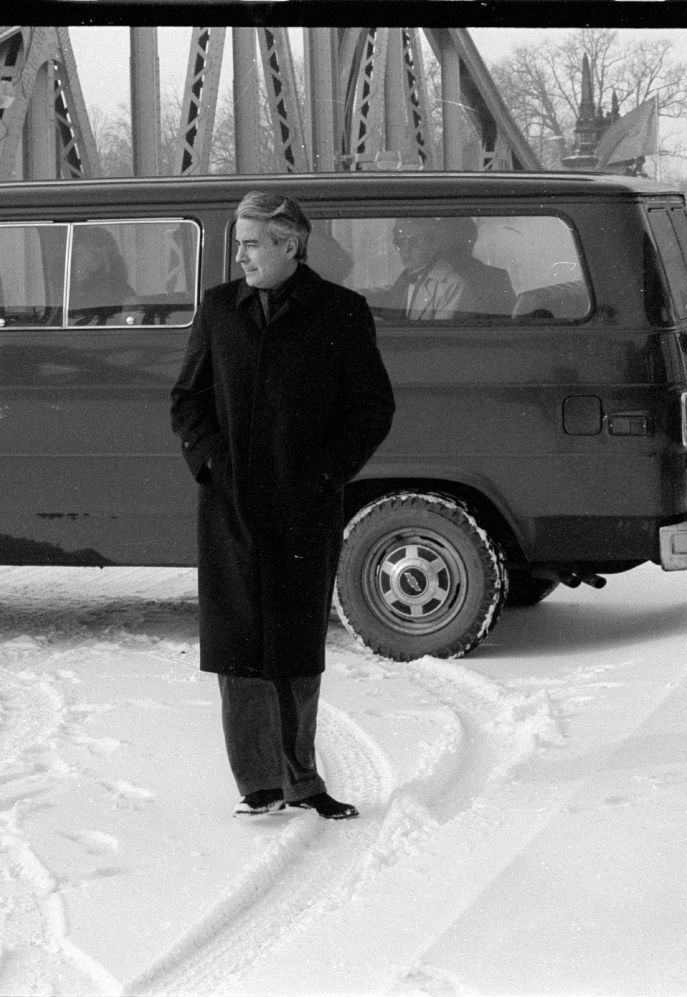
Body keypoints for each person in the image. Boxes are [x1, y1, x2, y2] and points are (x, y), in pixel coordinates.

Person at [170, 192, 396, 820]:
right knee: (239, 643)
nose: (239, 255)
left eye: (250, 243)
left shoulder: (341, 313)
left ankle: (303, 780)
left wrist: (327, 473)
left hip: (305, 505)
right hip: (230, 507)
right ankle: (260, 784)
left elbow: (372, 408)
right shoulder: (219, 310)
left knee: (295, 645)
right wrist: (212, 463)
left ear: (289, 245)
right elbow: (186, 401)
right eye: (239, 243)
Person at [373, 216, 514, 321]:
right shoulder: (408, 277)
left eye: (415, 241)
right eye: (400, 241)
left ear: (434, 244)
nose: (406, 249)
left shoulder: (452, 282)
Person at [68, 226, 136, 325]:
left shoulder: (103, 294)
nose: (75, 262)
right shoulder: (120, 288)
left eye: (80, 255)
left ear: (97, 259)